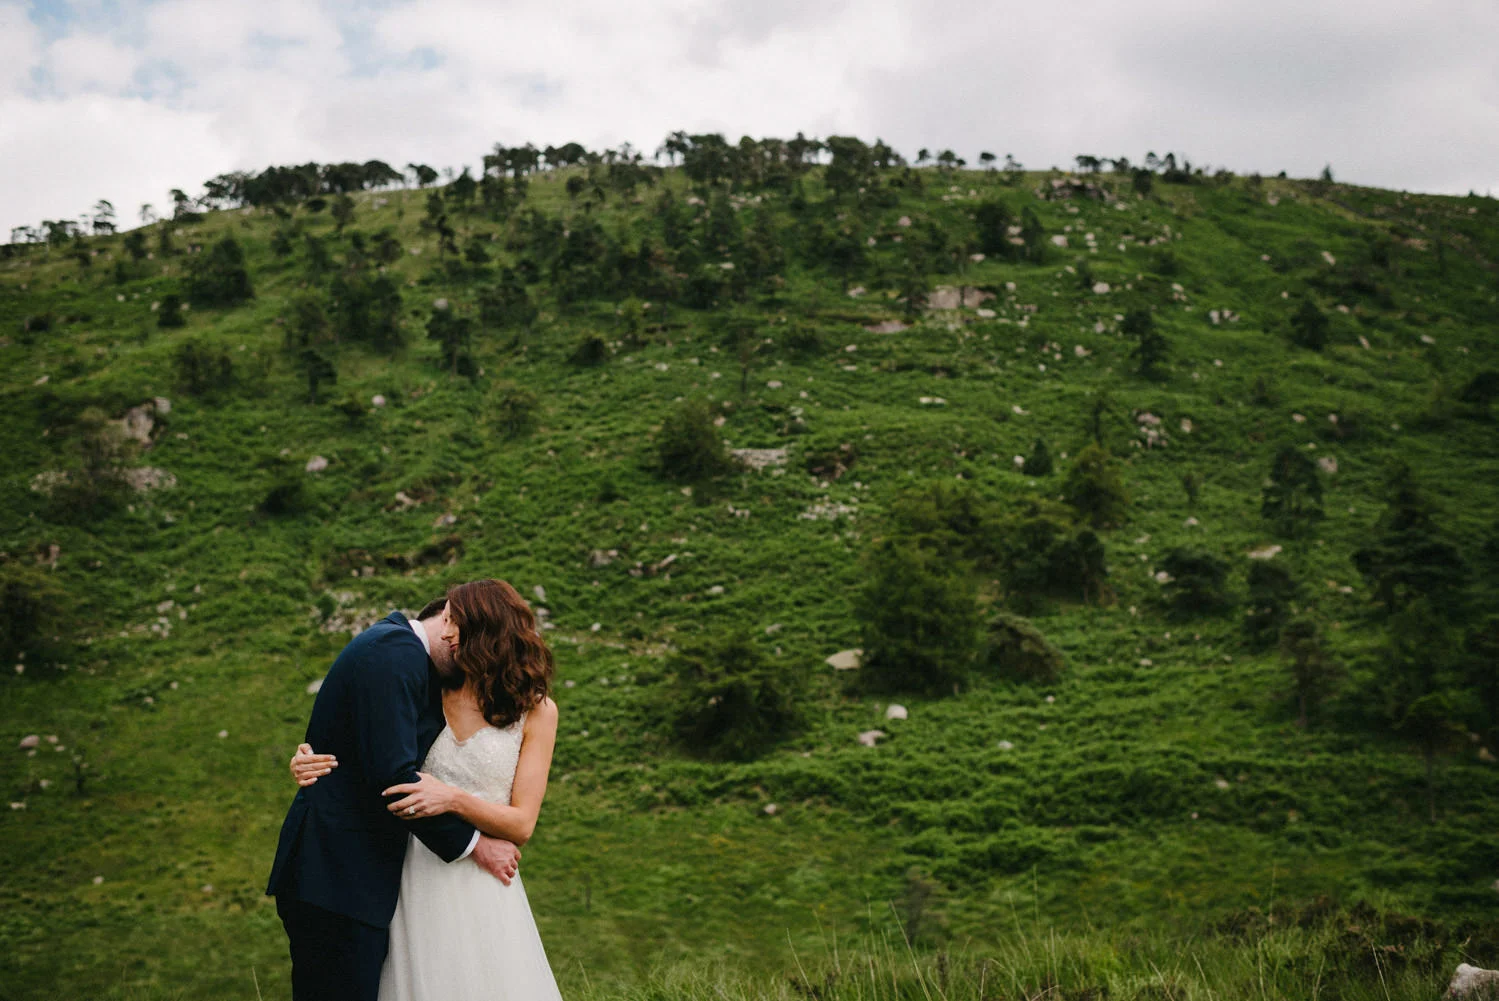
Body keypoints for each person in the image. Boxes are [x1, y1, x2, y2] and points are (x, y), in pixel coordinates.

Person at [289, 578, 563, 1001]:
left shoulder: (537, 711)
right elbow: (379, 757)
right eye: (448, 622)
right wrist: (313, 756)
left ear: (488, 636)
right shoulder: (428, 683)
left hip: (479, 876)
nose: (449, 634)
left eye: (458, 625)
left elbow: (523, 823)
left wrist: (454, 800)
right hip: (406, 868)